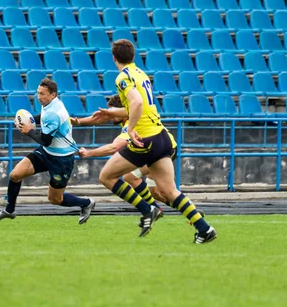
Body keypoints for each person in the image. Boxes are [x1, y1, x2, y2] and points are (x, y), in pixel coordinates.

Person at [92, 40, 217, 243]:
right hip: (161, 137)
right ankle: (204, 229)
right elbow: (140, 105)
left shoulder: (122, 77)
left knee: (107, 176)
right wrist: (114, 112)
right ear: (133, 56)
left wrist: (130, 129)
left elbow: (137, 103)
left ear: (113, 58)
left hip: (145, 138)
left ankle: (147, 209)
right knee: (169, 191)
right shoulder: (141, 74)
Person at [74, 95, 204, 227]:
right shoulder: (125, 117)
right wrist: (78, 121)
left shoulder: (132, 123)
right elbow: (100, 118)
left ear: (123, 111)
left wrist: (89, 153)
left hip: (160, 150)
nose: (111, 115)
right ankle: (191, 212)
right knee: (157, 192)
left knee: (130, 177)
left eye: (113, 112)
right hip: (162, 146)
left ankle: (152, 210)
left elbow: (114, 147)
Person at [0, 78, 95, 224]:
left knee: (55, 199)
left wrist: (29, 130)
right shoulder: (50, 104)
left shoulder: (54, 112)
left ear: (53, 95)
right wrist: (30, 119)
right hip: (46, 152)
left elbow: (45, 140)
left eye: (42, 94)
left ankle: (86, 203)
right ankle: (10, 210)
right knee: (15, 175)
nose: (39, 97)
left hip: (61, 159)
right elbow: (44, 120)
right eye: (38, 93)